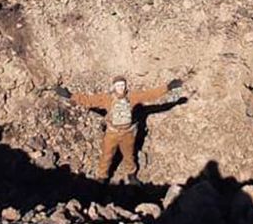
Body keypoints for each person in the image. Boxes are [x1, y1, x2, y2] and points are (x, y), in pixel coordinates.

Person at [54, 75, 183, 183]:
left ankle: (131, 174)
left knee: (129, 154)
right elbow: (88, 100)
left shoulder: (133, 97)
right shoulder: (107, 99)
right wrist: (69, 95)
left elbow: (150, 95)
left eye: (122, 85)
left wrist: (168, 87)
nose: (120, 87)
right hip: (112, 133)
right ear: (114, 87)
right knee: (106, 155)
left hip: (128, 133)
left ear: (126, 86)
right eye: (118, 85)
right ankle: (102, 176)